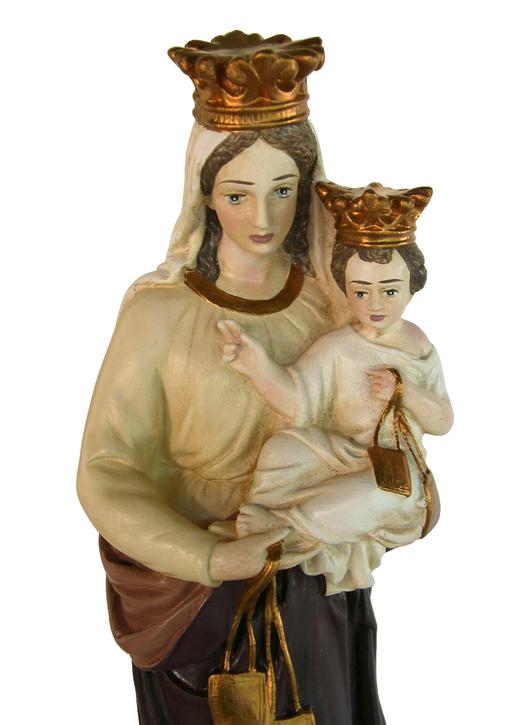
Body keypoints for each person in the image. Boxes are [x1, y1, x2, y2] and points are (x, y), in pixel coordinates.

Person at [77, 33, 386, 725]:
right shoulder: (160, 315)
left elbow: (382, 434)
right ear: (205, 195)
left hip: (315, 578)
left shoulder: (334, 305)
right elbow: (106, 469)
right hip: (199, 599)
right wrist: (212, 557)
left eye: (283, 191)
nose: (264, 218)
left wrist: (397, 493)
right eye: (238, 194)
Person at [217, 181, 453, 594]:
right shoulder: (337, 347)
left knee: (383, 495)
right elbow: (298, 399)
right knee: (283, 448)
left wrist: (403, 392)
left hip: (395, 467)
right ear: (345, 288)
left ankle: (283, 528)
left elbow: (443, 421)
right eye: (361, 291)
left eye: (389, 290)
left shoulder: (417, 346)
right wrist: (256, 366)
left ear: (412, 287)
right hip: (341, 453)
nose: (375, 304)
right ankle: (278, 516)